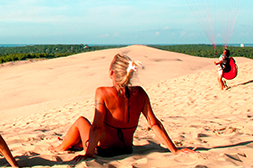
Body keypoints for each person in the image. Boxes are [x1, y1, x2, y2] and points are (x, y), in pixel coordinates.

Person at [51, 54, 194, 160]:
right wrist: (174, 150)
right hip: (127, 149)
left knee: (81, 121)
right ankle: (72, 143)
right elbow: (154, 124)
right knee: (85, 133)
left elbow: (97, 128)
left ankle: (60, 147)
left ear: (111, 73)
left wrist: (88, 155)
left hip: (104, 151)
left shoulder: (102, 92)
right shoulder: (141, 93)